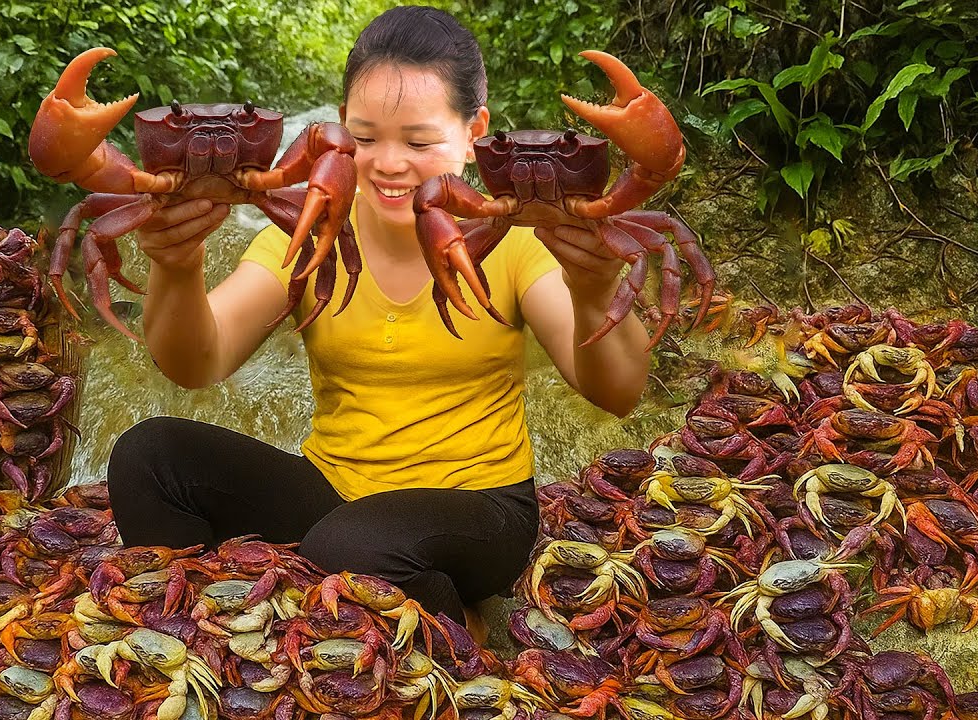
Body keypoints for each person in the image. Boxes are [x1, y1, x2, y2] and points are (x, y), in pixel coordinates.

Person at [106, 5, 652, 630]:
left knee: (348, 549)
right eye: (364, 138)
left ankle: (457, 629)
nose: (389, 164)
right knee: (148, 456)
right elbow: (196, 362)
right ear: (337, 131)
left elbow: (618, 391)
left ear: (474, 132)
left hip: (479, 508)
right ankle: (199, 633)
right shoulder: (310, 226)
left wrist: (594, 287)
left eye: (420, 142)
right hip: (333, 491)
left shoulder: (513, 239)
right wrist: (176, 268)